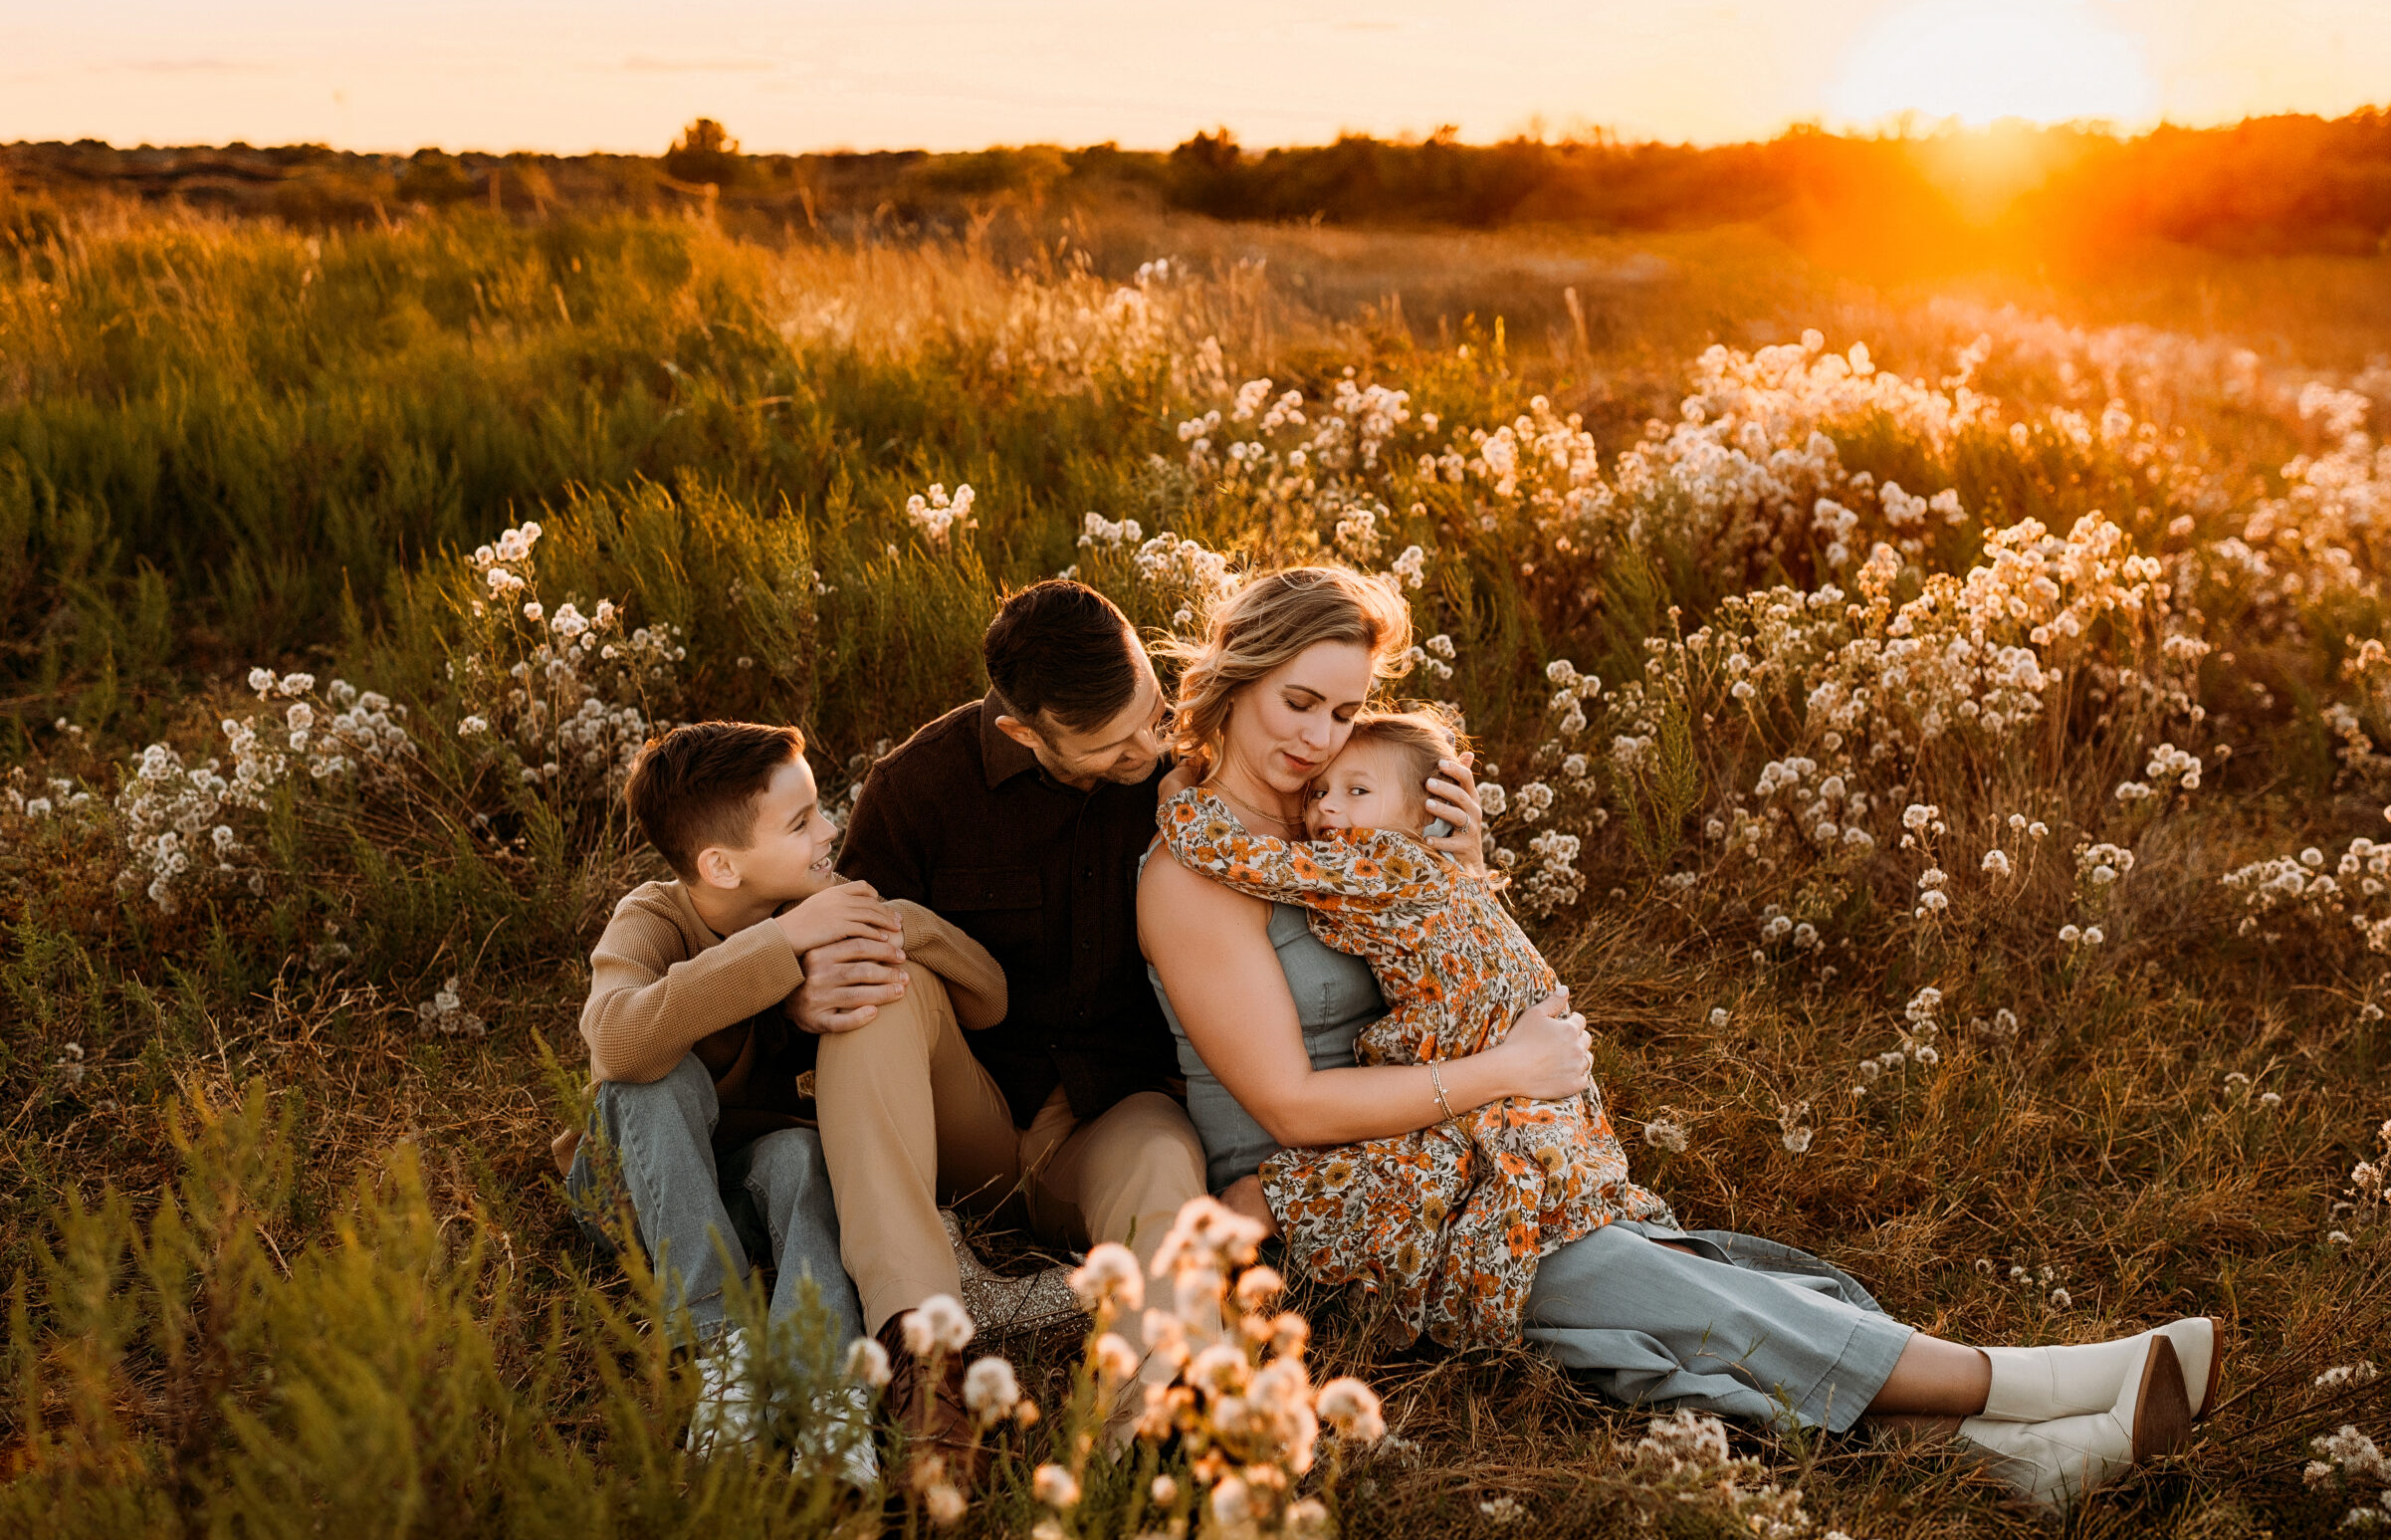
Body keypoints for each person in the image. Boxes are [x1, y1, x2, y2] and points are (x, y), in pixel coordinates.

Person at [1137, 565, 2227, 1515]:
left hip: (1438, 1155)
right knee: (1603, 1265)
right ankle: (2029, 1381)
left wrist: (1459, 886)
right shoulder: (1194, 878)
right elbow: (1290, 1106)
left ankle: (2025, 1465)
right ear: (1233, 675)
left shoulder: (1320, 823)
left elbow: (1445, 981)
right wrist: (1509, 1070)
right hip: (1314, 1197)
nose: (1318, 740)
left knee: (1634, 1319)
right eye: (1298, 703)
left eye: (1344, 713)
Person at [809, 577, 1477, 1479]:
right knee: (871, 984)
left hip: (1109, 1115)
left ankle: (1154, 1421)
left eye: (1152, 713)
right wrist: (810, 994)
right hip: (963, 1113)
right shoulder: (918, 791)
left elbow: (1353, 845)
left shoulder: (1191, 776)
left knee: (1165, 1167)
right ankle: (927, 1365)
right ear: (1025, 733)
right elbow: (838, 943)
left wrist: (1454, 871)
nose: (1150, 745)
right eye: (1113, 742)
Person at [561, 720, 1005, 1476]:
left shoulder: (822, 905)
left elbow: (989, 995)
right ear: (721, 865)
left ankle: (824, 1396)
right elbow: (618, 1044)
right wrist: (783, 951)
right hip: (634, 1187)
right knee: (658, 1071)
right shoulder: (652, 918)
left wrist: (889, 924)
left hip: (741, 1184)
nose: (830, 827)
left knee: (807, 1152)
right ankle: (721, 1350)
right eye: (801, 822)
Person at [1153, 704, 1671, 1349]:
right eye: (1320, 792)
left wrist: (1177, 798)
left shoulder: (1382, 859)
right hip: (1504, 1045)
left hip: (1490, 1052)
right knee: (1470, 1179)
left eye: (1356, 792)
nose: (1326, 810)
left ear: (1424, 816)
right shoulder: (1425, 863)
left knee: (1447, 1176)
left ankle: (1292, 1220)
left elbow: (1237, 858)